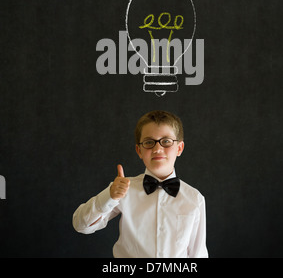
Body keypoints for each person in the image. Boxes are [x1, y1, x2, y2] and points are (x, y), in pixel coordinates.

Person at [72, 110, 208, 258]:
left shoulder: (194, 198)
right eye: (149, 142)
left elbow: (198, 254)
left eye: (166, 141)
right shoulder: (123, 189)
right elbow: (80, 225)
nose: (157, 149)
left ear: (179, 148)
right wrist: (109, 196)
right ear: (139, 150)